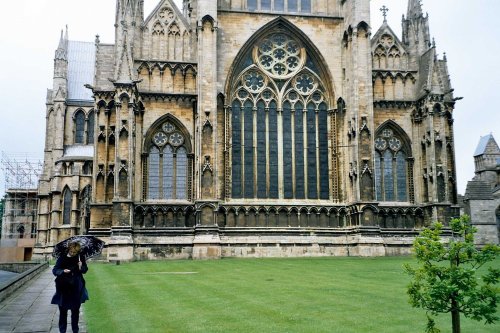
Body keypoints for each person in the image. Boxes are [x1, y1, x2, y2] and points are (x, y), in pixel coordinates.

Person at [51, 241, 89, 333]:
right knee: (63, 312)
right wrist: (63, 271)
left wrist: (81, 267)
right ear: (69, 249)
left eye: (75, 252)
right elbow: (55, 270)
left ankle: (75, 330)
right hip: (63, 287)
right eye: (71, 252)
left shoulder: (80, 257)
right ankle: (62, 331)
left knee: (75, 312)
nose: (73, 254)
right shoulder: (62, 257)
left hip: (76, 287)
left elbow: (85, 270)